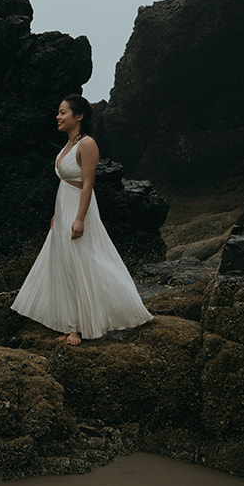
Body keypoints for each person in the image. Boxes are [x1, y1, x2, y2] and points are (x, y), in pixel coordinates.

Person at [12, 93, 153, 344]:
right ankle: (70, 324)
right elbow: (66, 183)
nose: (57, 116)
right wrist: (58, 213)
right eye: (58, 112)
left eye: (63, 112)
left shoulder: (87, 144)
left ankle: (81, 326)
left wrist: (79, 218)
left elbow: (87, 185)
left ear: (78, 116)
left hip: (79, 208)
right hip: (64, 207)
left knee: (82, 262)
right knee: (64, 264)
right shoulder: (67, 145)